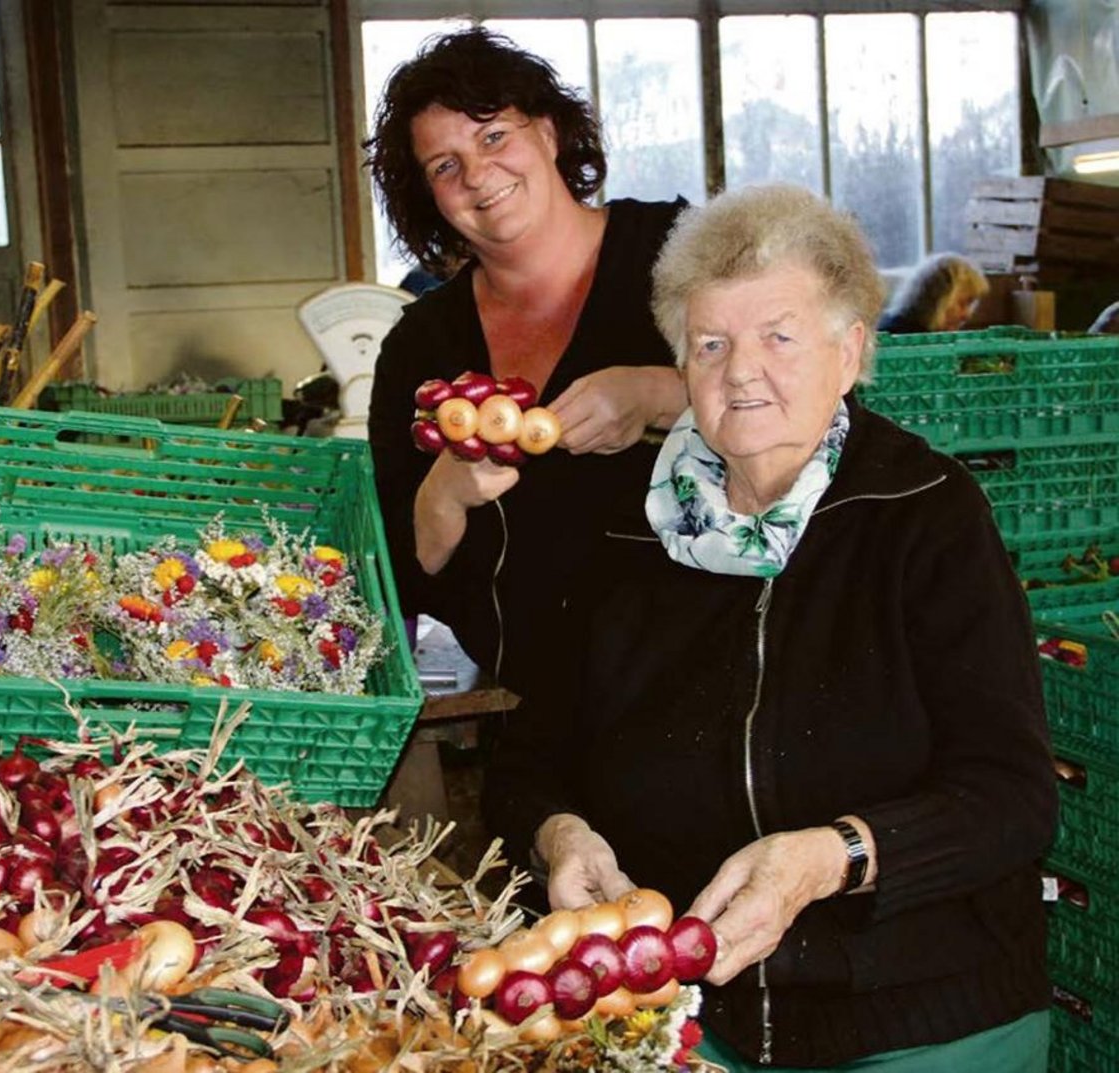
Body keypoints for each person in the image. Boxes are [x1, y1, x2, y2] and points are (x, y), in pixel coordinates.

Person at [483, 185, 1056, 1071]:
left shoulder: (923, 515)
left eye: (779, 337)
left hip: (920, 1020)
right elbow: (527, 757)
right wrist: (559, 832)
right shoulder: (627, 530)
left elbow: (1014, 798)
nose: (741, 371)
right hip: (681, 1017)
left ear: (851, 351)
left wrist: (834, 857)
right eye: (711, 344)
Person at [364, 28, 688, 702]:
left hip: (707, 670)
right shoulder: (421, 343)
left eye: (492, 137)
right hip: (532, 700)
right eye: (444, 166)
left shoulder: (681, 252)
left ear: (548, 133)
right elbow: (390, 575)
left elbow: (815, 413)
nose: (478, 176)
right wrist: (441, 494)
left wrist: (659, 393)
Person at [877, 252, 990, 334]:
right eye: (962, 303)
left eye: (970, 305)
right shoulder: (895, 339)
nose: (967, 315)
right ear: (937, 300)